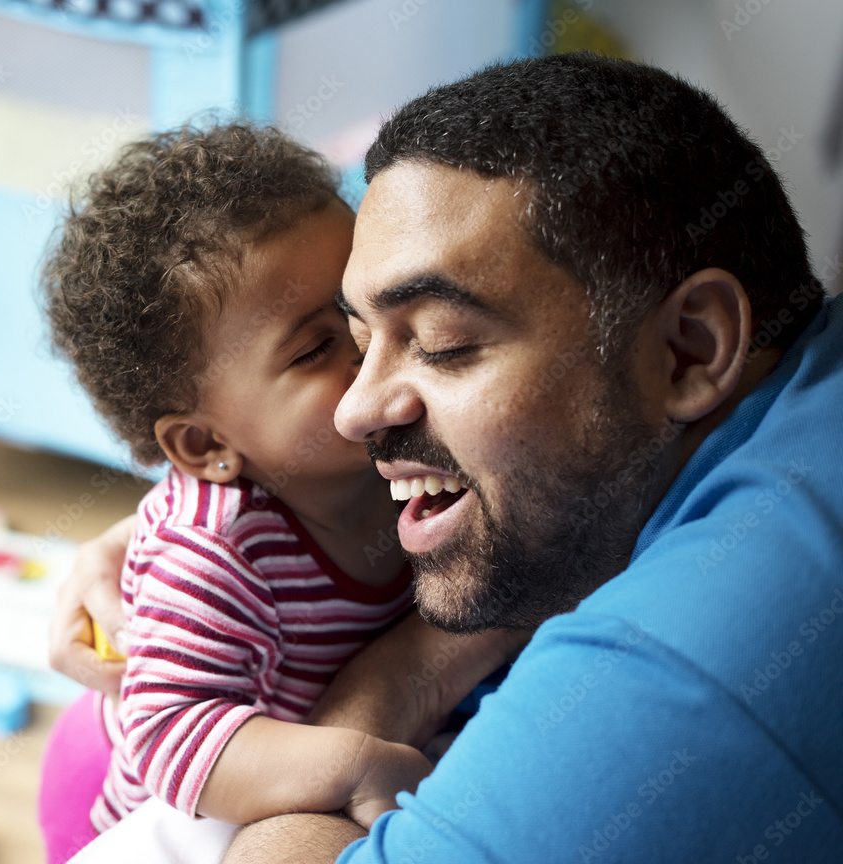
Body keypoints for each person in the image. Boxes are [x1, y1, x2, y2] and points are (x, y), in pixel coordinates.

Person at [54, 54, 843, 863]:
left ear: (688, 347)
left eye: (441, 343)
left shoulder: (683, 668)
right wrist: (152, 538)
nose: (359, 406)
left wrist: (386, 695)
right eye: (349, 340)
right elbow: (171, 722)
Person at [37, 123, 523, 864]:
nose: (369, 344)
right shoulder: (214, 548)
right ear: (205, 447)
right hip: (140, 805)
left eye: (357, 304)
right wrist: (353, 762)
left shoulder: (393, 445)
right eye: (314, 347)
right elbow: (174, 738)